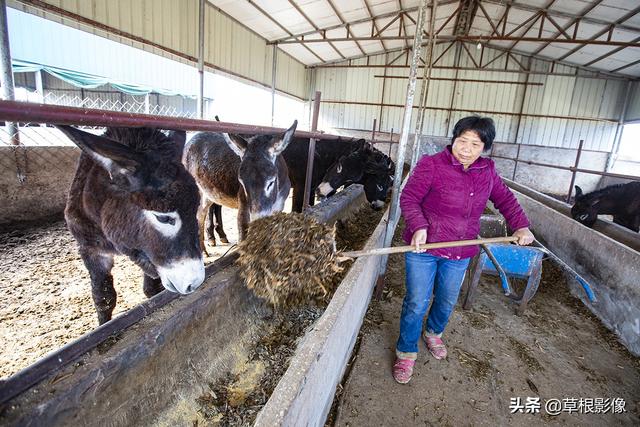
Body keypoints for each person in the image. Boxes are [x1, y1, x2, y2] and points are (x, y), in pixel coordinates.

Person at [392, 116, 534, 384]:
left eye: (475, 144)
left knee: (446, 299)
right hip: (424, 247)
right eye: (462, 141)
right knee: (416, 301)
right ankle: (406, 351)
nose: (466, 149)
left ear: (485, 147)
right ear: (453, 140)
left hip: (460, 249)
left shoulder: (487, 172)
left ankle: (433, 332)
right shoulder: (431, 165)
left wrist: (521, 226)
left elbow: (505, 199)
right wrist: (419, 225)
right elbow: (409, 197)